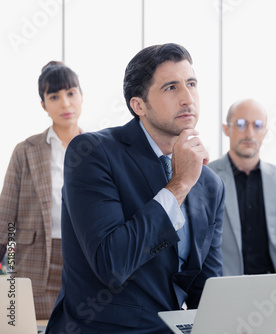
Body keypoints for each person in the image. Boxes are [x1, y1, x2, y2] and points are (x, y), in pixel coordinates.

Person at [45, 43, 225, 333]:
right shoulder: (92, 152)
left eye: (191, 84)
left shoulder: (209, 183)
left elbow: (205, 288)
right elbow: (112, 264)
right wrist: (178, 185)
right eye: (171, 88)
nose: (188, 98)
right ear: (138, 105)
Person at [0, 61, 83, 319]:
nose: (65, 103)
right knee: (31, 325)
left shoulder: (99, 150)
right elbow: (7, 220)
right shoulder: (26, 150)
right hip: (34, 264)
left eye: (71, 93)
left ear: (81, 95)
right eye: (54, 96)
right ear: (44, 105)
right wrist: (9, 269)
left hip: (83, 263)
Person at [208, 99, 276, 276]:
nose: (250, 133)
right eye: (241, 124)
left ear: (266, 132)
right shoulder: (206, 177)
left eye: (258, 125)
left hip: (274, 288)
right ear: (226, 129)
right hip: (225, 287)